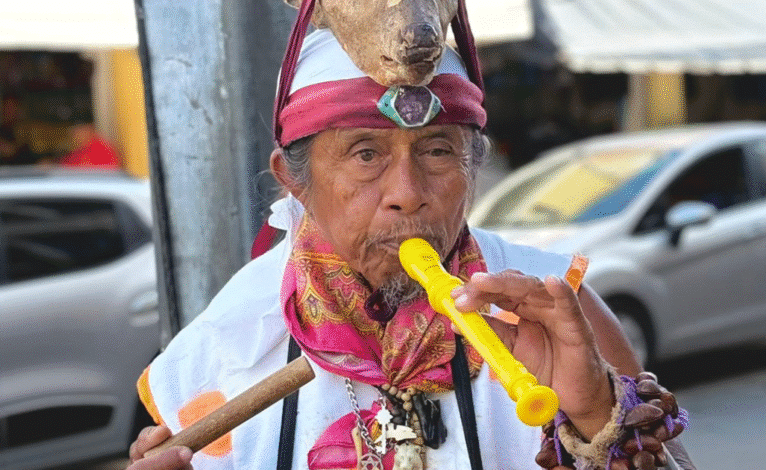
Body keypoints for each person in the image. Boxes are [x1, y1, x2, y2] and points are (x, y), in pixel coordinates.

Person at [126, 12, 691, 470]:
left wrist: (597, 415)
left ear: (474, 166)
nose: (407, 194)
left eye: (438, 151)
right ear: (292, 177)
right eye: (365, 154)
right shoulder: (217, 360)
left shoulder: (560, 311)